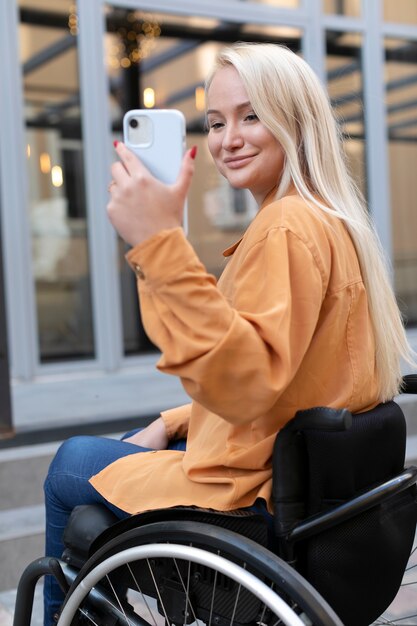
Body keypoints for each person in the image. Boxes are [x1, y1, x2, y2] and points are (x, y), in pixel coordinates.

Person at [42, 42, 415, 624]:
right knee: (123, 449)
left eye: (251, 115)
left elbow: (245, 382)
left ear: (296, 120)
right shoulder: (330, 221)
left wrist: (159, 240)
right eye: (215, 122)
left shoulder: (286, 227)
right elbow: (283, 380)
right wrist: (169, 423)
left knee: (70, 464)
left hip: (258, 504)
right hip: (311, 492)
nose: (227, 139)